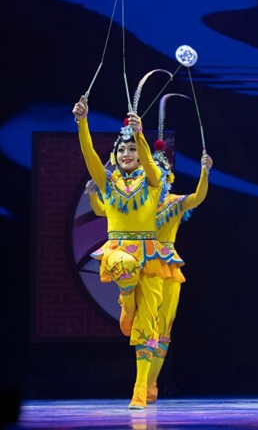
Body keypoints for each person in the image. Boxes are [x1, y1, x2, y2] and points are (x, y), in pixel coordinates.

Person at [73, 93, 173, 410]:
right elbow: (88, 153)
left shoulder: (153, 181)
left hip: (152, 256)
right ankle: (126, 300)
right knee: (125, 264)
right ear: (114, 156)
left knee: (149, 327)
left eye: (131, 149)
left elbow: (149, 163)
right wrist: (82, 121)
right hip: (119, 250)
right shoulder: (107, 182)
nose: (126, 153)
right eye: (121, 149)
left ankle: (140, 389)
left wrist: (140, 136)